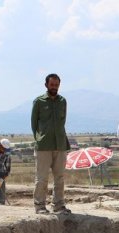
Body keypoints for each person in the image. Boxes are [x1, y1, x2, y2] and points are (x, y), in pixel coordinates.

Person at [32, 73, 71, 215]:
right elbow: (34, 124)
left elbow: (63, 122)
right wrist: (40, 139)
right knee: (42, 178)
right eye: (52, 84)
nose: (54, 87)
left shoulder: (63, 101)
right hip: (44, 146)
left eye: (56, 85)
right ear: (46, 85)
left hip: (60, 144)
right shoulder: (39, 101)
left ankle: (59, 205)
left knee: (59, 178)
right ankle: (40, 205)